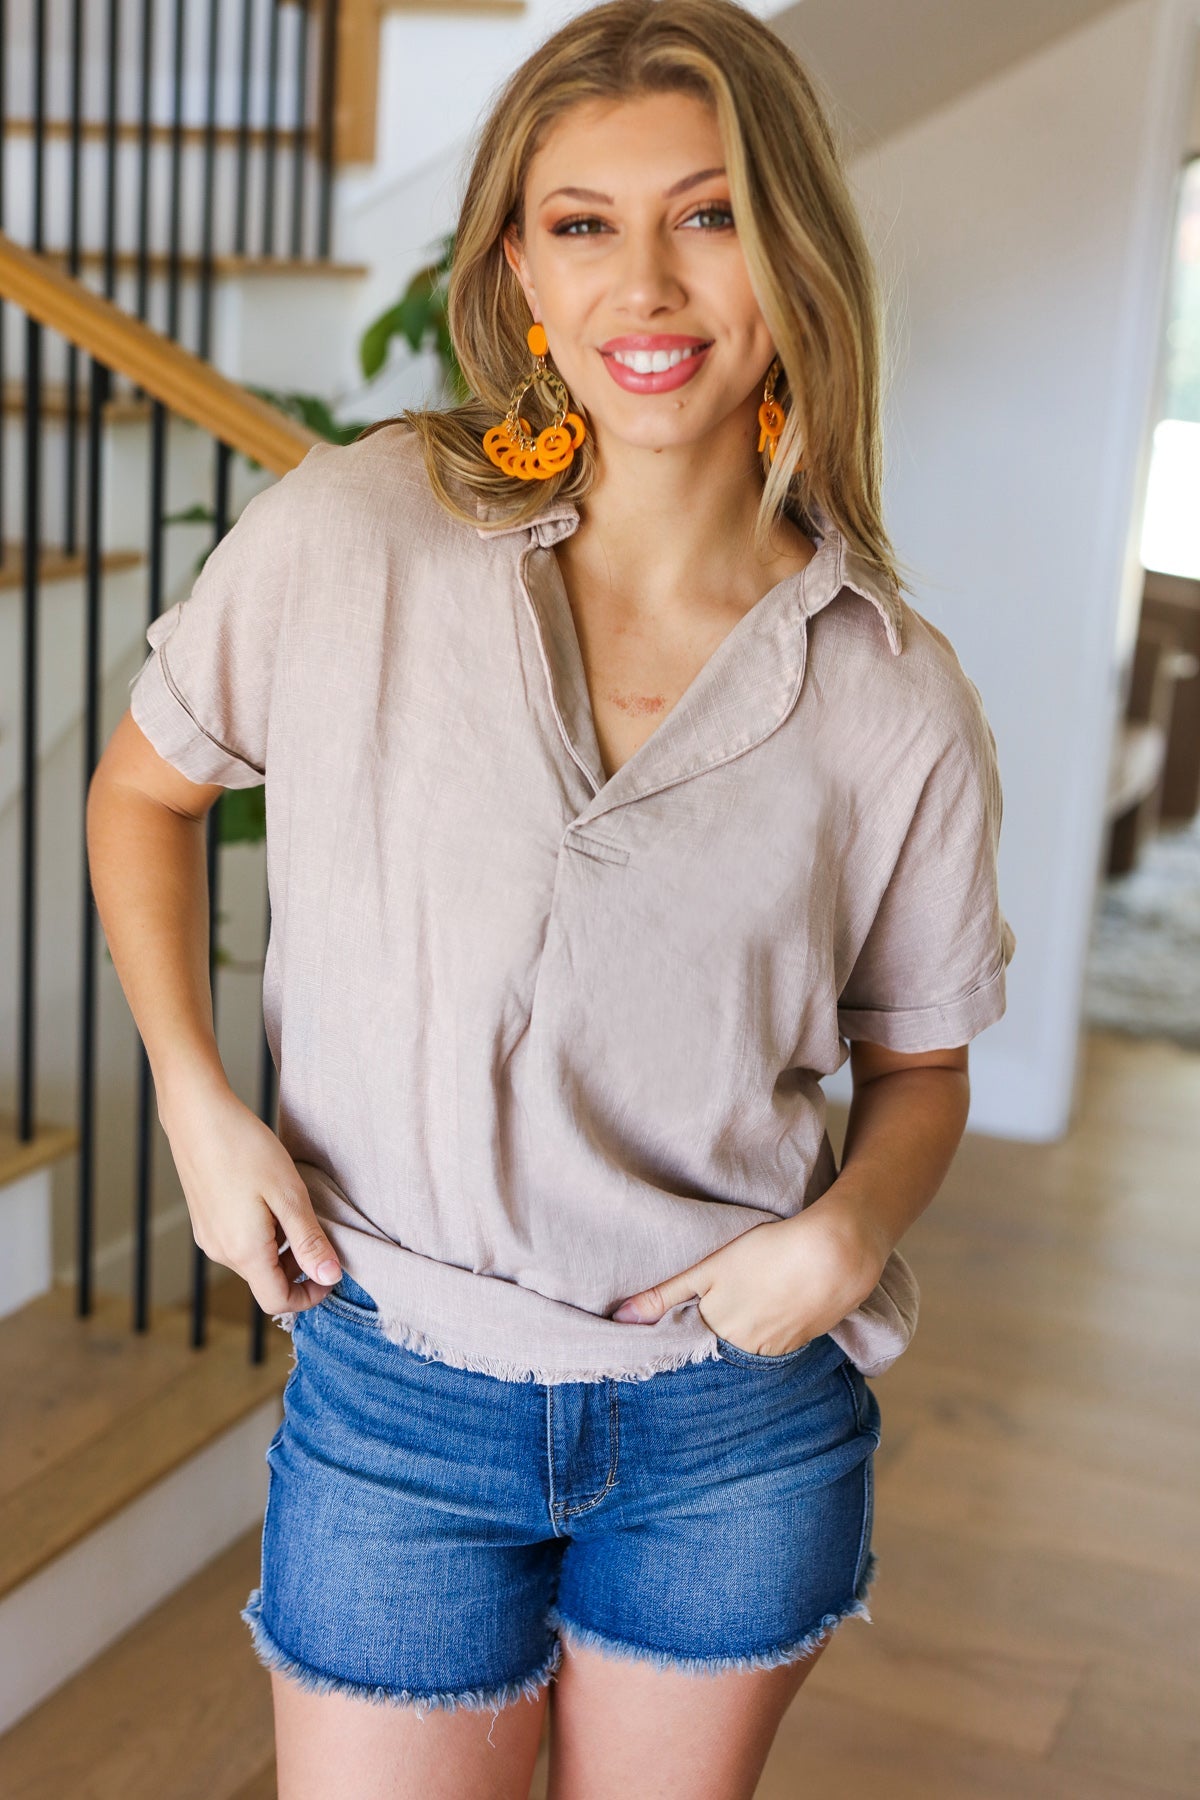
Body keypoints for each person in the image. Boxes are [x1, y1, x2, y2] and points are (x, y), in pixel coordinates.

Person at [86, 0, 1017, 1794]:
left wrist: (846, 1236)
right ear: (517, 266)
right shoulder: (356, 534)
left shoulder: (894, 690)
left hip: (729, 1433)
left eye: (710, 212)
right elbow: (145, 789)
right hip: (396, 1394)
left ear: (794, 249)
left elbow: (920, 1065)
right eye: (582, 224)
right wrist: (200, 1110)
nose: (644, 288)